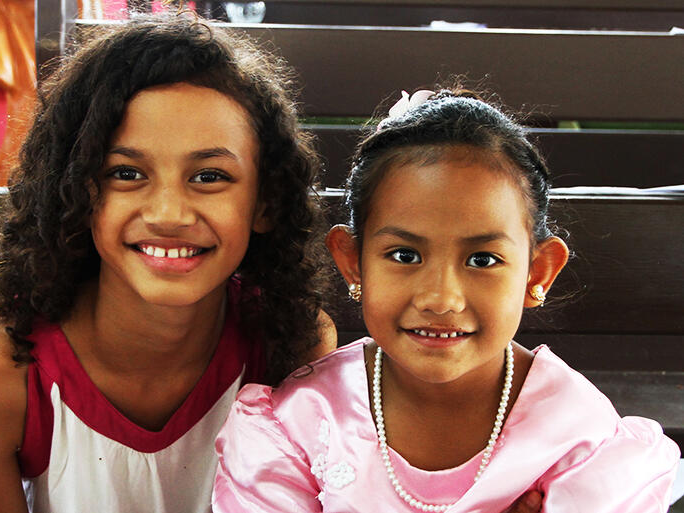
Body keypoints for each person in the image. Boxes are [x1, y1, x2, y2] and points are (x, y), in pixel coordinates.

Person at [0, 13, 337, 513]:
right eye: (126, 173)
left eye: (209, 177)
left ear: (266, 203)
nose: (169, 214)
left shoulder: (293, 347)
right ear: (76, 193)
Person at [212, 89, 681, 512]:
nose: (441, 298)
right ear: (354, 262)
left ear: (538, 272)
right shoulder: (300, 423)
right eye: (404, 255)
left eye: (482, 260)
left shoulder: (578, 437)